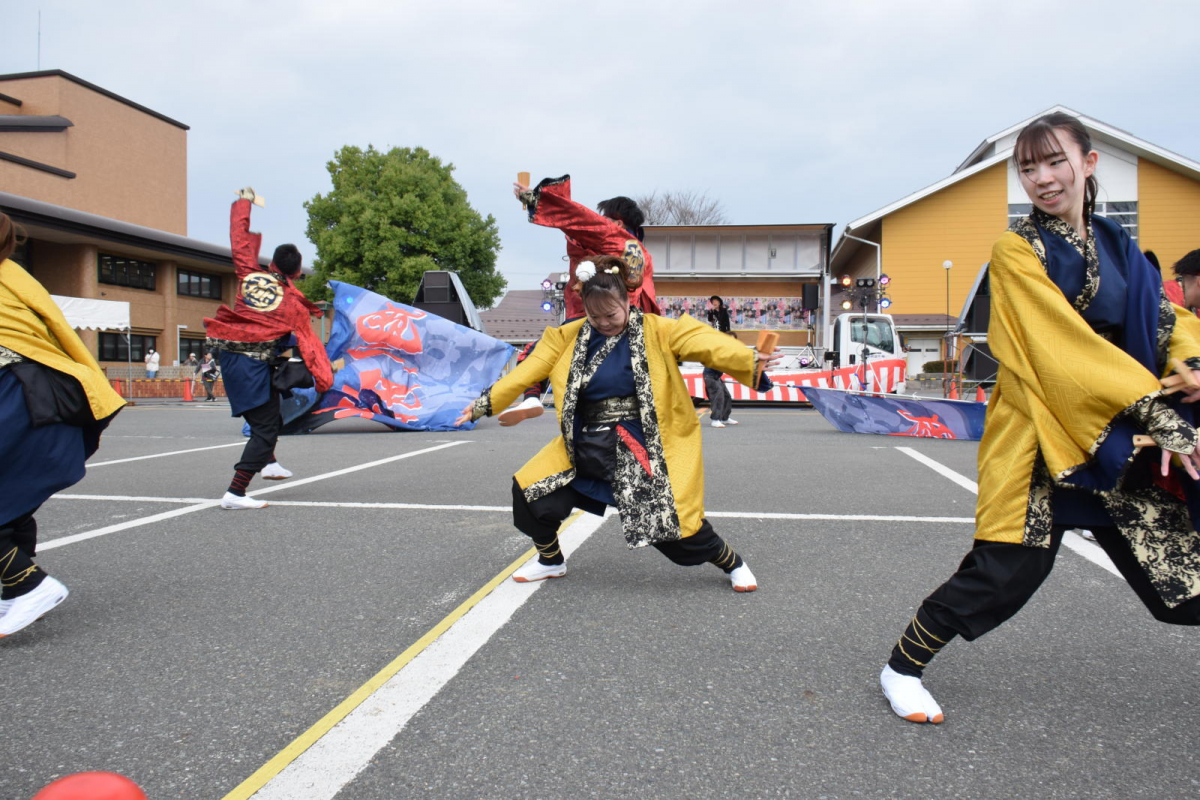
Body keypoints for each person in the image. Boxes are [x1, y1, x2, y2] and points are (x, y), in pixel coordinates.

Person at [879, 112, 1200, 724]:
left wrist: (1190, 362)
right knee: (1008, 569)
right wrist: (1160, 414)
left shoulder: (1117, 243)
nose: (1043, 178)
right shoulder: (1017, 248)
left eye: (1055, 162)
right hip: (1042, 434)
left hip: (1114, 430)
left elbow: (1167, 318)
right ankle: (901, 668)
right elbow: (1059, 349)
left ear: (1088, 162)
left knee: (1183, 574)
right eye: (1029, 168)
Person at [457, 255, 780, 591]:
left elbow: (704, 342)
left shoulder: (659, 330)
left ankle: (733, 563)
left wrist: (749, 359)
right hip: (585, 442)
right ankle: (550, 561)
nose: (604, 323)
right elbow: (528, 370)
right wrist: (483, 404)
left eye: (611, 314)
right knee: (531, 491)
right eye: (594, 316)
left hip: (639, 443)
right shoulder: (566, 336)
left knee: (672, 528)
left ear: (627, 301)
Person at [0, 212, 125, 637]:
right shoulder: (14, 275)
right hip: (45, 392)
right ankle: (14, 591)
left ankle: (28, 586)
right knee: (11, 498)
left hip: (18, 395)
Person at [203, 187, 333, 509]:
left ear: (272, 262)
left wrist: (244, 202)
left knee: (271, 415)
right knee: (264, 427)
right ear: (297, 272)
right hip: (252, 366)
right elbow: (307, 343)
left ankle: (270, 464)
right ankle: (235, 493)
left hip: (235, 359)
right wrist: (323, 376)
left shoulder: (250, 275)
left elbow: (239, 240)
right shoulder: (292, 305)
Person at [498, 177, 660, 427]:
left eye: (603, 218)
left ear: (617, 222)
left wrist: (535, 198)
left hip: (594, 317)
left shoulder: (611, 234)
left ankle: (531, 397)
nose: (600, 220)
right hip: (632, 327)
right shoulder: (643, 253)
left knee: (536, 352)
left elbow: (577, 219)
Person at [704, 295, 737, 428]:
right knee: (718, 396)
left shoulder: (723, 311)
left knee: (727, 396)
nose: (715, 303)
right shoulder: (718, 346)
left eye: (716, 301)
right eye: (713, 302)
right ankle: (715, 419)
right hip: (710, 375)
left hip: (717, 376)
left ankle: (725, 417)